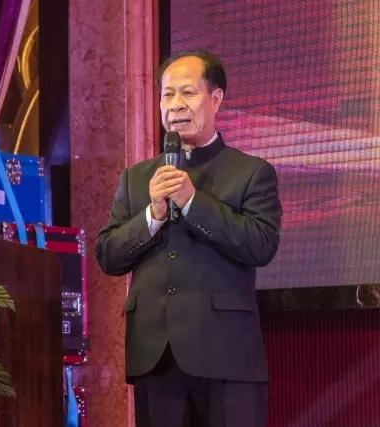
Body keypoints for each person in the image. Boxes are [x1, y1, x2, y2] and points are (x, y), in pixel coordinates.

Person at [95, 51, 282, 427]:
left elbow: (261, 244)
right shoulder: (136, 178)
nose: (175, 104)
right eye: (167, 94)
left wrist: (192, 202)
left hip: (226, 357)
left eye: (188, 93)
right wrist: (152, 216)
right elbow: (108, 255)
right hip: (155, 357)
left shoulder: (251, 172)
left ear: (215, 99)